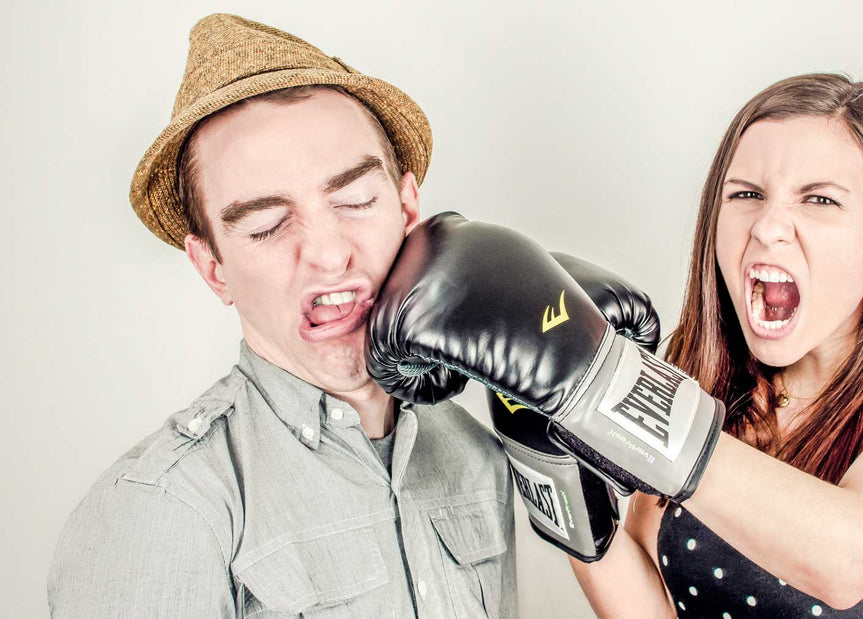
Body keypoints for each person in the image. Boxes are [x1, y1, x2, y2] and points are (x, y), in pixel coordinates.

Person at [47, 14, 515, 617]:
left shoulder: (478, 454)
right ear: (213, 267)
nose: (326, 252)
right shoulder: (160, 508)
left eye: (355, 200)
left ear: (406, 207)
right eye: (267, 225)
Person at [566, 74, 863, 617]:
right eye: (747, 194)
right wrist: (552, 462)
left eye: (820, 199)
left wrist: (612, 392)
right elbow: (655, 604)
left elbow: (853, 555)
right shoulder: (704, 374)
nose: (768, 226)